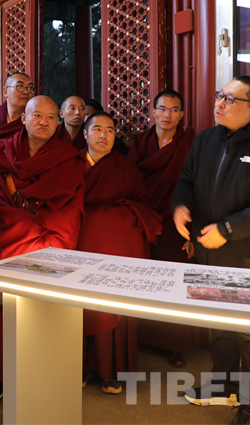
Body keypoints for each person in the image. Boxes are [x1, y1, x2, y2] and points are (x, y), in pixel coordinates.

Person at [172, 76, 250, 425]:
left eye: (229, 99)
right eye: (219, 96)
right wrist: (180, 206)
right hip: (210, 254)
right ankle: (225, 385)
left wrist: (227, 230)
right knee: (220, 325)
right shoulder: (207, 139)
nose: (219, 103)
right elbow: (186, 180)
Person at [0, 95, 85, 400]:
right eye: (37, 115)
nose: (44, 122)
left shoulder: (67, 157)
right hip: (8, 240)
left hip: (49, 240)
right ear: (23, 118)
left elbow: (69, 206)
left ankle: (44, 374)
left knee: (46, 313)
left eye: (51, 117)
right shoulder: (4, 151)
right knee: (2, 311)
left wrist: (41, 237)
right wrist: (27, 226)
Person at [77, 111, 162, 394]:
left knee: (113, 307)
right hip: (80, 248)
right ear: (85, 134)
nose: (103, 135)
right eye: (97, 129)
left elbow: (144, 205)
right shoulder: (70, 164)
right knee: (81, 307)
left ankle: (111, 371)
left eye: (110, 130)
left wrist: (111, 215)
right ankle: (81, 366)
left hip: (116, 248)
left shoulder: (126, 168)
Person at [128, 89, 200, 368]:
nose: (167, 115)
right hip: (144, 221)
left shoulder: (191, 144)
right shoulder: (139, 142)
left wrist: (194, 231)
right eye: (162, 108)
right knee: (145, 282)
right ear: (153, 111)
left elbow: (199, 188)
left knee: (175, 284)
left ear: (181, 115)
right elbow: (131, 182)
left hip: (176, 225)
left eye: (174, 110)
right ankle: (146, 337)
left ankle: (175, 345)